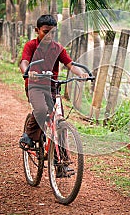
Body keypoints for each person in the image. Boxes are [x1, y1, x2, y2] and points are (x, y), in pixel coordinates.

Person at [19, 14, 88, 148]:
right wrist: (28, 72)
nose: (49, 36)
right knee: (41, 109)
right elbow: (24, 62)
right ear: (36, 30)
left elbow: (70, 64)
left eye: (52, 33)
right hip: (35, 86)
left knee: (57, 116)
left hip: (52, 86)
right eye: (45, 32)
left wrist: (81, 73)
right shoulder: (31, 46)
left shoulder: (58, 48)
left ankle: (60, 159)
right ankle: (29, 135)